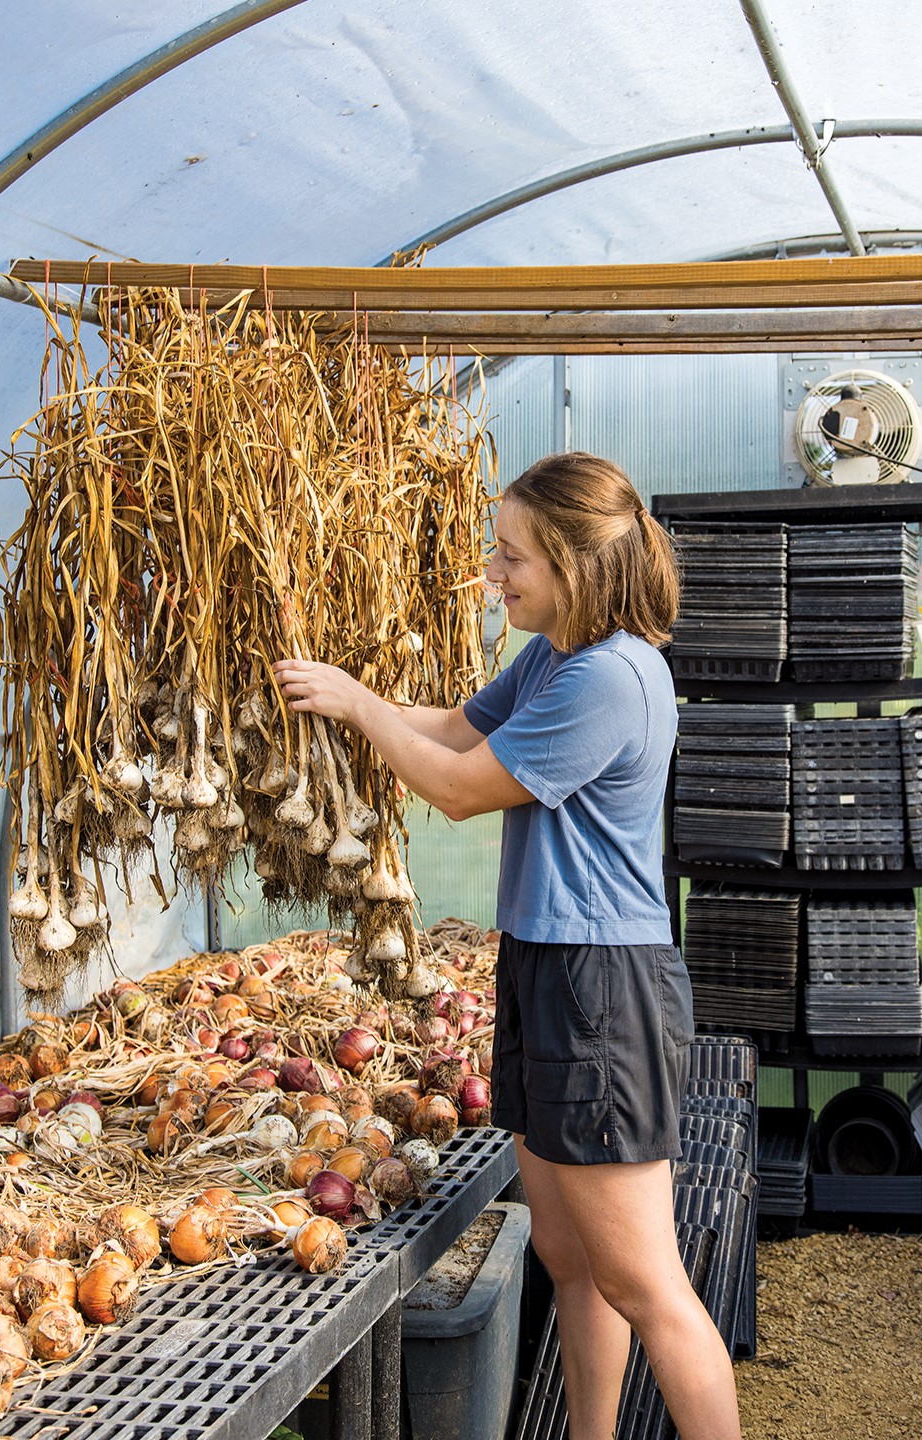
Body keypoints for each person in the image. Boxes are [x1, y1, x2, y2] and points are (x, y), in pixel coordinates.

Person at [274, 451, 742, 1440]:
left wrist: (357, 702)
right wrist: (333, 698)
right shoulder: (556, 655)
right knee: (572, 1261)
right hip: (543, 963)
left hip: (602, 989)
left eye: (512, 556)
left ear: (575, 562)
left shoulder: (612, 677)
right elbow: (449, 729)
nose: (496, 575)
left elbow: (458, 787)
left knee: (645, 1281)